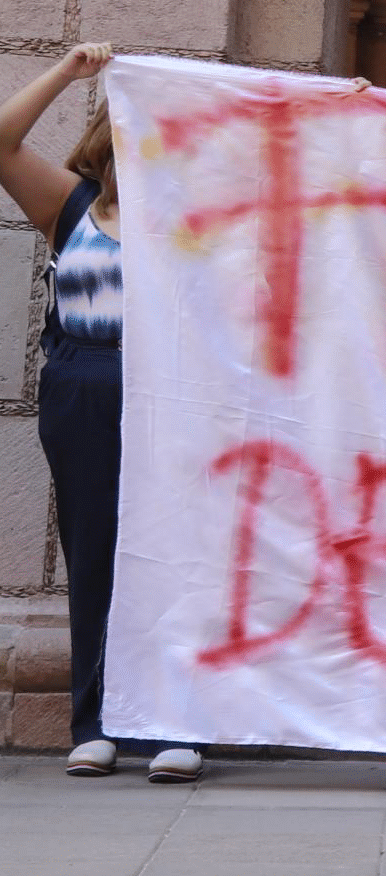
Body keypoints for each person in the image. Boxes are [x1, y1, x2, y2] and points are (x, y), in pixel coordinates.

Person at [0, 45, 202, 783]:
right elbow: (1, 141)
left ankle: (177, 724)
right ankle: (95, 722)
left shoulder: (199, 219)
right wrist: (66, 71)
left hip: (172, 391)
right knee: (95, 552)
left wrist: (347, 107)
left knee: (175, 552)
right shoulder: (72, 204)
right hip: (84, 383)